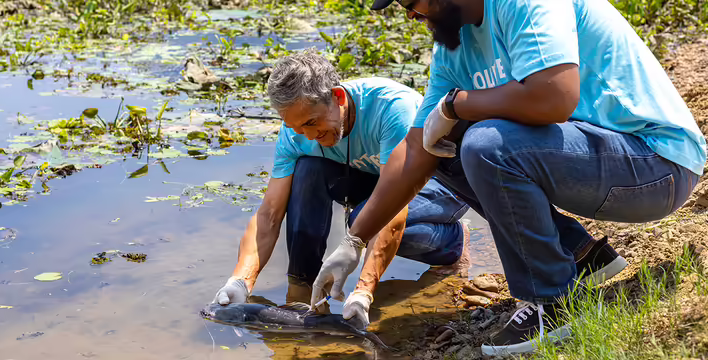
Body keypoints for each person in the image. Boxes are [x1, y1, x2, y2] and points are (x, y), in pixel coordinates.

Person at [310, 0, 707, 356]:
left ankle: (551, 303)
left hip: (657, 166)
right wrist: (354, 240)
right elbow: (416, 150)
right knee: (444, 149)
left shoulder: (523, 3)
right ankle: (578, 255)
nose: (411, 15)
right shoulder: (454, 49)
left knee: (484, 143)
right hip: (599, 162)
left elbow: (555, 96)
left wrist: (457, 103)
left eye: (411, 2)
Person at [212, 50, 471, 328]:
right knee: (308, 170)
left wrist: (363, 291)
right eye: (297, 128)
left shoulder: (392, 108)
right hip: (377, 179)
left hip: (440, 182)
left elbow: (393, 212)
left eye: (313, 122)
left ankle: (452, 241)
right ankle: (301, 285)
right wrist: (241, 279)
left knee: (362, 221)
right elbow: (269, 214)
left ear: (337, 97)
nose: (310, 136)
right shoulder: (295, 132)